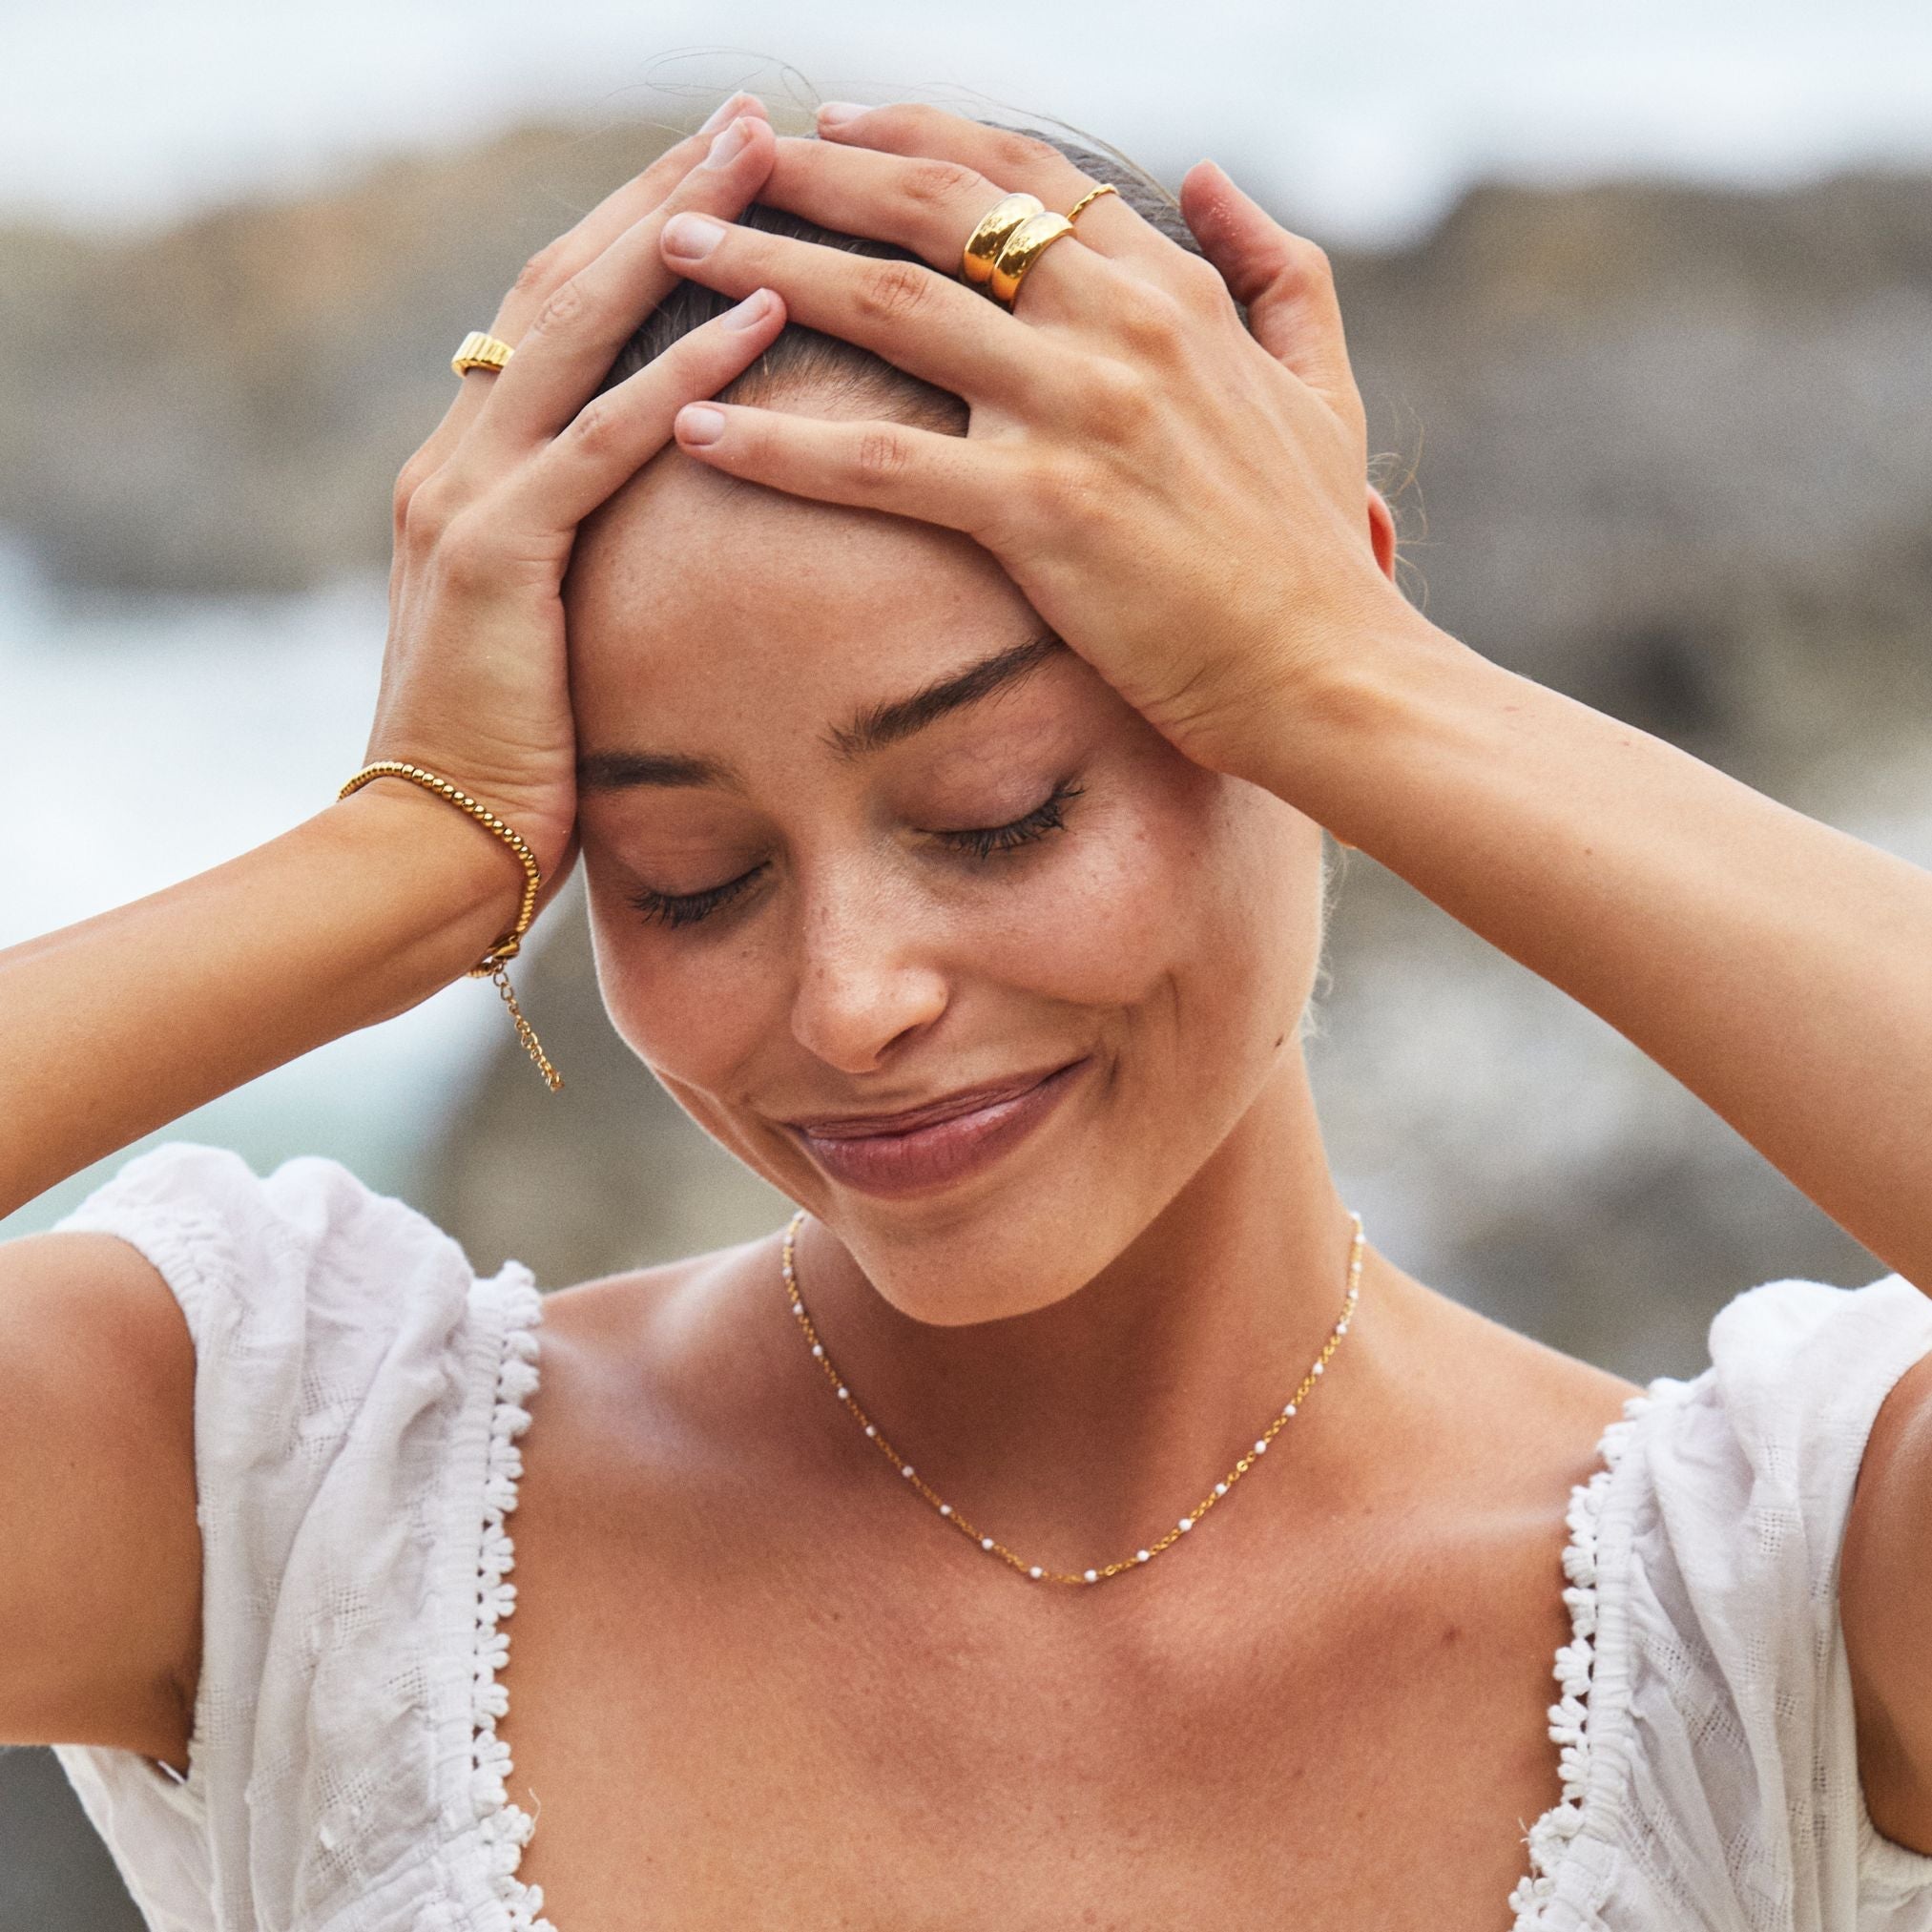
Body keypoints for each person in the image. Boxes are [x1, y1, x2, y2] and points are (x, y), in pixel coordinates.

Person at [1, 86, 1929, 1932]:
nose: (851, 1001)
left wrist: (1369, 692)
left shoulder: (1766, 1607)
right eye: (687, 873)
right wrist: (392, 863)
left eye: (999, 809)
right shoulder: (291, 1494)